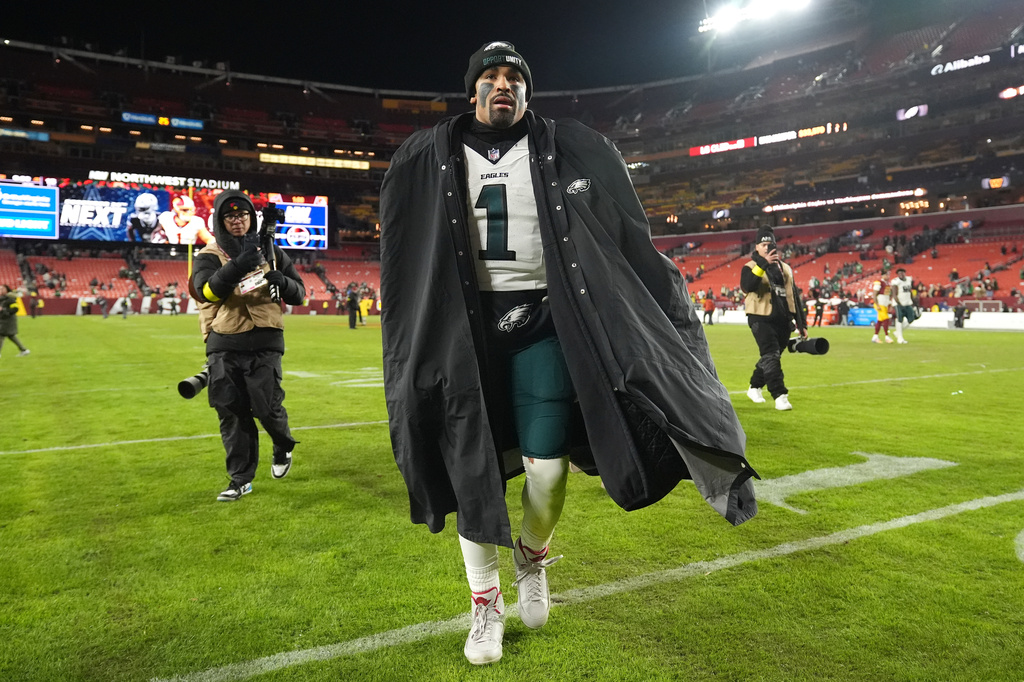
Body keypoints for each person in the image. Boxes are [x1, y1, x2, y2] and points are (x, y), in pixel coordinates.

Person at [378, 41, 756, 666]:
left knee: (546, 471)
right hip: (462, 329)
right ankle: (483, 604)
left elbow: (628, 233)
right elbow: (403, 252)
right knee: (468, 466)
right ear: (472, 90)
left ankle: (531, 554)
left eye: (514, 78)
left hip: (545, 322)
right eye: (491, 78)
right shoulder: (426, 155)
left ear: (528, 91)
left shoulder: (569, 145)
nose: (503, 86)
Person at [189, 191, 305, 502]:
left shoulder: (273, 251)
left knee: (267, 408)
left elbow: (300, 294)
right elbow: (207, 293)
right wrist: (238, 265)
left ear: (252, 218)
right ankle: (240, 479)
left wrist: (285, 283)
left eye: (243, 215)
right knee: (231, 413)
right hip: (224, 342)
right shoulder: (208, 255)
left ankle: (282, 445)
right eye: (230, 216)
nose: (237, 221)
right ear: (220, 221)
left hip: (265, 341)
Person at [740, 226, 805, 411]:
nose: (767, 247)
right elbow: (748, 286)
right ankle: (780, 395)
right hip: (759, 317)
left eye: (771, 244)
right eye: (764, 244)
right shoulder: (750, 267)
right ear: (757, 247)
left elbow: (794, 295)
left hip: (783, 319)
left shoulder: (785, 268)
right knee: (770, 354)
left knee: (771, 356)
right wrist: (762, 264)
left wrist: (801, 323)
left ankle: (754, 387)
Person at [0, 285, 30, 358]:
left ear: (7, 290)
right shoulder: (2, 299)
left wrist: (3, 310)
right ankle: (24, 350)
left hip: (8, 320)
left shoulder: (11, 299)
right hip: (3, 319)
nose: (0, 290)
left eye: (2, 289)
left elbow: (15, 309)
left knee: (1, 335)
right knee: (11, 336)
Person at [889, 267, 916, 344]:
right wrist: (899, 303)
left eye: (902, 273)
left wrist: (912, 301)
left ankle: (897, 332)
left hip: (907, 302)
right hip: (899, 303)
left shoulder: (908, 279)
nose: (901, 274)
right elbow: (894, 294)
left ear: (905, 273)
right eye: (899, 273)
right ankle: (900, 339)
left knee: (911, 319)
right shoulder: (895, 281)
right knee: (899, 320)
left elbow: (910, 291)